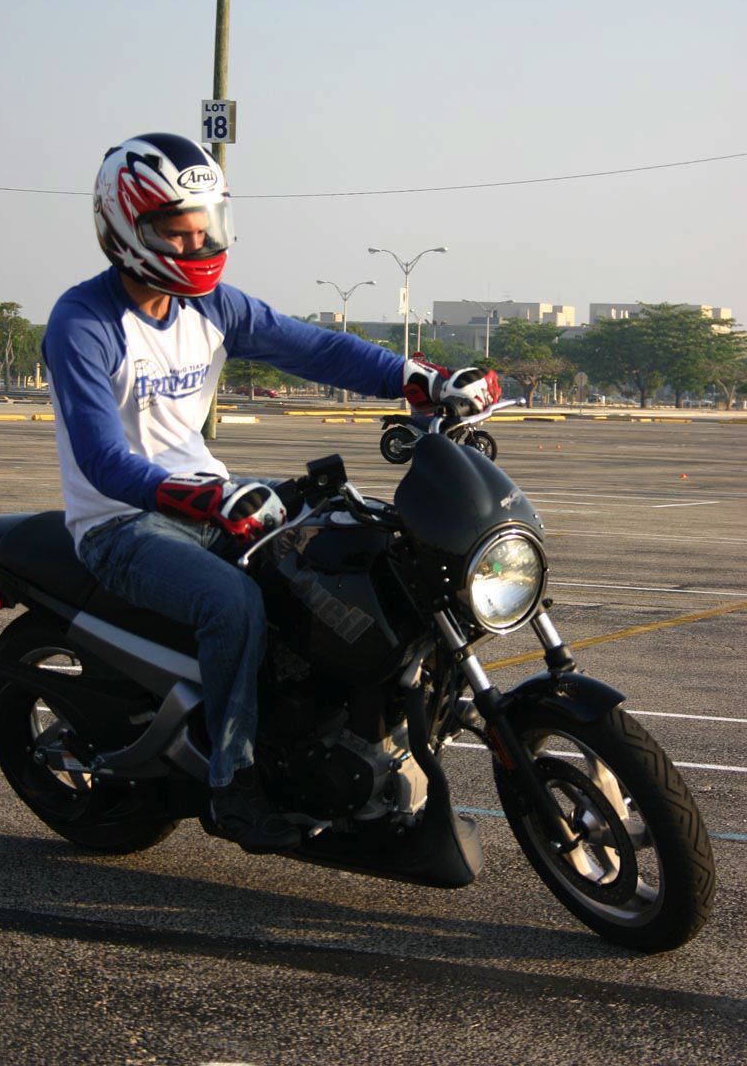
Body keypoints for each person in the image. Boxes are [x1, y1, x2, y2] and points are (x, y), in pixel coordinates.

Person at [42, 132, 500, 854]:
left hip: (208, 498)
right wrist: (201, 498)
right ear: (126, 228)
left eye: (207, 227)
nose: (197, 244)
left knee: (349, 551)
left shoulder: (212, 306)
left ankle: (332, 734)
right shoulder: (84, 323)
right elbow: (102, 459)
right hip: (121, 523)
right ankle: (236, 784)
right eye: (177, 231)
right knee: (231, 604)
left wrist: (418, 378)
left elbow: (315, 347)